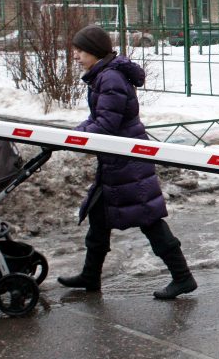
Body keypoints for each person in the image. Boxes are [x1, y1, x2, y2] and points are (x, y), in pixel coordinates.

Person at [57, 24, 197, 299]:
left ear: (94, 52)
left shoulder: (109, 79)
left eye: (80, 50)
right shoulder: (104, 76)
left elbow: (106, 125)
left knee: (149, 219)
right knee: (98, 216)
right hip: (116, 158)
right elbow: (98, 120)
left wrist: (75, 138)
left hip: (127, 160)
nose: (75, 56)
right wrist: (75, 133)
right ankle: (90, 276)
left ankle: (183, 278)